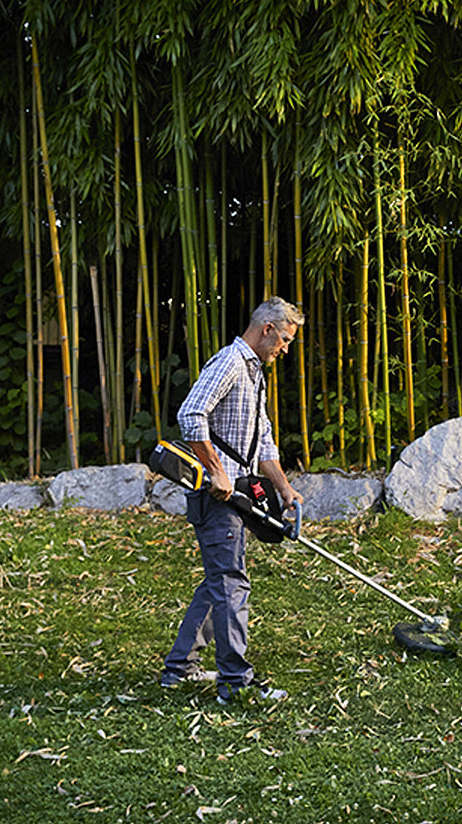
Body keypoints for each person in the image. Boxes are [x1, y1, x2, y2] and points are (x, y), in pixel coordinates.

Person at [158, 297, 305, 704]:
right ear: (267, 329)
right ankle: (234, 683)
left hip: (239, 493)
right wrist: (216, 470)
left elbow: (263, 442)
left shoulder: (254, 373)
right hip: (216, 495)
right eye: (286, 340)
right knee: (231, 583)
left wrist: (284, 488)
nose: (286, 349)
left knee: (217, 583)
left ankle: (179, 668)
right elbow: (191, 414)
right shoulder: (229, 363)